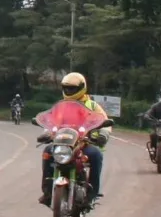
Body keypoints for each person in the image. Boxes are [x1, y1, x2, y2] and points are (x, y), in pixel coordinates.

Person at [38, 72, 110, 206]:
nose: (68, 91)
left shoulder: (93, 105)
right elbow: (51, 121)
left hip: (84, 143)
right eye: (66, 88)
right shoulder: (60, 106)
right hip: (62, 142)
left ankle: (91, 194)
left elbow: (104, 120)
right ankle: (47, 191)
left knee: (96, 155)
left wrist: (103, 135)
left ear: (81, 88)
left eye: (72, 88)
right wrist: (46, 133)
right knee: (47, 152)